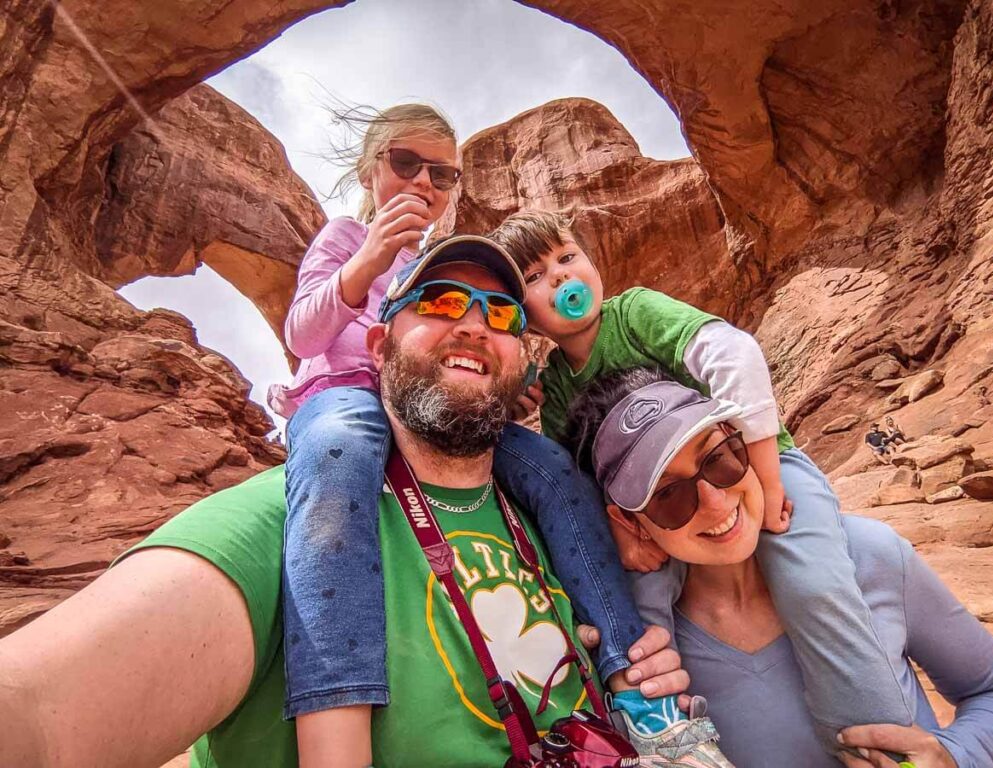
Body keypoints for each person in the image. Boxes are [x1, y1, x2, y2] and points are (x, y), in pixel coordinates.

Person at [0, 245, 690, 768]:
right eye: (443, 303)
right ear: (380, 342)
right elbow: (33, 709)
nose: (475, 326)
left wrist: (643, 666)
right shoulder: (290, 522)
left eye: (500, 315)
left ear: (521, 357)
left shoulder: (543, 508)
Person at [268, 105, 685, 765]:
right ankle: (334, 738)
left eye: (443, 174)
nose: (424, 184)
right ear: (370, 167)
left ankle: (637, 689)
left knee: (549, 468)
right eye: (407, 164)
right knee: (337, 455)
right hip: (345, 396)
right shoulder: (347, 235)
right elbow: (303, 334)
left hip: (424, 406)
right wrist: (370, 255)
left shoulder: (435, 261)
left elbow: (461, 355)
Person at [488, 210, 917, 752]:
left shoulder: (635, 313)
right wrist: (623, 533)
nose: (560, 277)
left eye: (567, 257)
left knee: (815, 586)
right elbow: (579, 480)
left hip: (754, 467)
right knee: (638, 619)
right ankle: (666, 740)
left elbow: (731, 354)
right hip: (665, 515)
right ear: (520, 317)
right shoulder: (554, 387)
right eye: (534, 277)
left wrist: (766, 476)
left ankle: (877, 742)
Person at [563, 367, 993, 767]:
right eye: (668, 494)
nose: (715, 499)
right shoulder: (645, 660)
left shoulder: (869, 555)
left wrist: (956, 756)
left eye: (719, 458)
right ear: (629, 523)